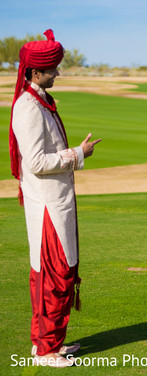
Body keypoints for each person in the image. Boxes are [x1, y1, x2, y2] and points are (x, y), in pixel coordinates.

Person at [9, 30, 101, 367]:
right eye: (53, 69)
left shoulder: (39, 103)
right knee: (54, 275)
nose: (57, 73)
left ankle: (48, 342)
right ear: (35, 73)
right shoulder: (29, 107)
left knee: (56, 272)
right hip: (47, 205)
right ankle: (46, 350)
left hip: (56, 201)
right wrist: (79, 153)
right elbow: (34, 162)